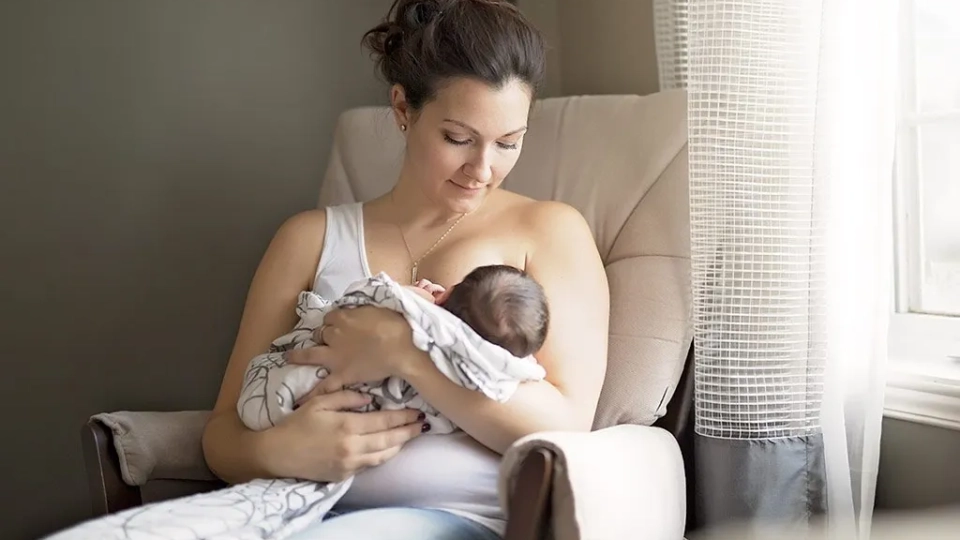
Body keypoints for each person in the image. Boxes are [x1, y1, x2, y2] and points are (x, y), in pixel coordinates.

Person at [201, 0, 610, 538]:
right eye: (458, 138)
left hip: (457, 520)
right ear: (403, 108)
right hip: (290, 506)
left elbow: (567, 424)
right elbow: (222, 434)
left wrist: (404, 352)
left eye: (509, 143)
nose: (482, 169)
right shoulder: (307, 239)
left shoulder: (548, 231)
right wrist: (280, 449)